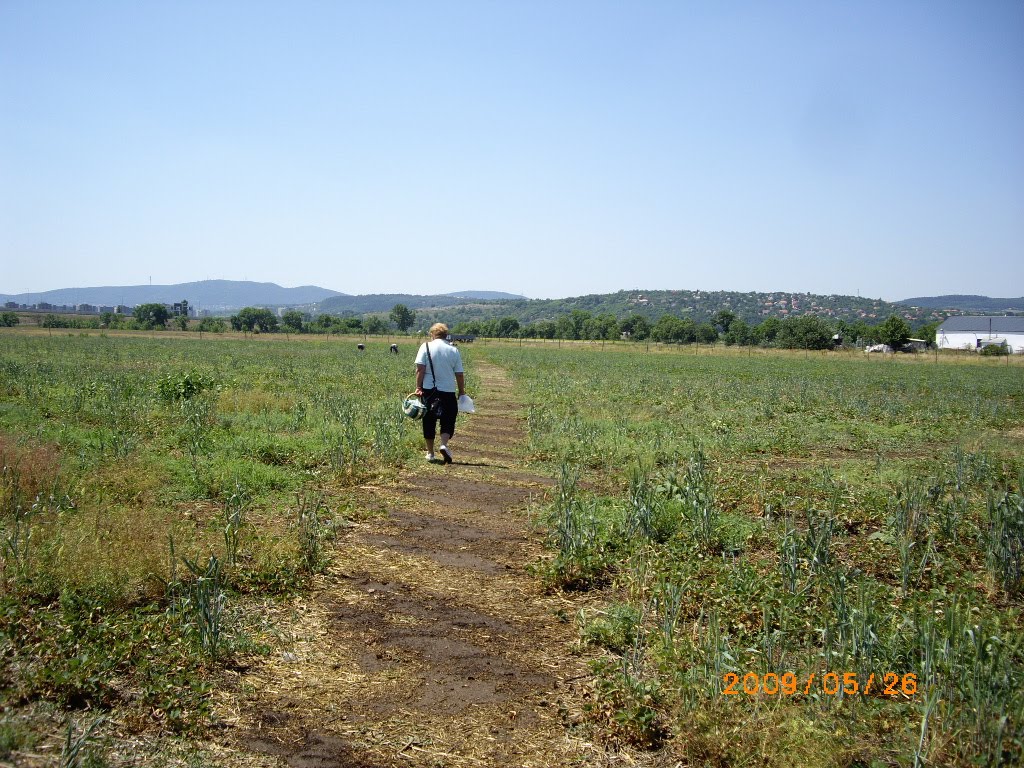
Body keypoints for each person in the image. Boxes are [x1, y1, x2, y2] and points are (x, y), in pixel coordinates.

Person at [414, 323, 466, 464]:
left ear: (432, 334)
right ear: (446, 335)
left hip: (429, 390)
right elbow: (459, 375)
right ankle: (443, 444)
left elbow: (420, 369)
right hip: (448, 390)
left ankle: (430, 453)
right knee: (448, 419)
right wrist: (461, 392)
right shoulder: (453, 350)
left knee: (429, 420)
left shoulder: (425, 347)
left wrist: (418, 387)